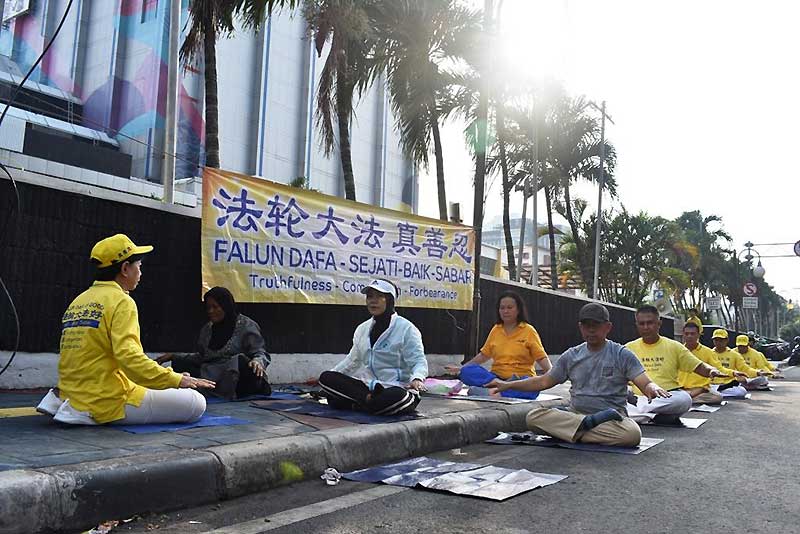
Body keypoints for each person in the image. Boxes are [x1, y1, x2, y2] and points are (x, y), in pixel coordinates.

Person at [36, 234, 214, 425]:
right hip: (107, 400)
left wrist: (170, 378)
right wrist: (177, 380)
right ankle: (87, 412)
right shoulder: (122, 301)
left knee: (163, 386)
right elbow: (129, 358)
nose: (140, 273)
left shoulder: (79, 301)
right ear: (124, 268)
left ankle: (67, 403)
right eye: (139, 266)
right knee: (196, 403)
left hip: (74, 390)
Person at [487, 303, 669, 447]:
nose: (591, 330)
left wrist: (652, 388)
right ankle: (584, 425)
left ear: (607, 327)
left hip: (612, 420)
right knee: (533, 417)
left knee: (632, 434)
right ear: (580, 327)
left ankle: (572, 432)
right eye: (586, 326)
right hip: (576, 415)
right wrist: (508, 385)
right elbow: (544, 381)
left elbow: (644, 381)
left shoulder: (621, 354)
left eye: (596, 326)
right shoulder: (571, 355)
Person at [318, 279, 427, 415]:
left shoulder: (407, 329)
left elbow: (418, 361)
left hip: (396, 388)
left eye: (379, 296)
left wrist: (417, 378)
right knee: (326, 377)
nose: (372, 301)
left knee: (398, 398)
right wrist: (332, 377)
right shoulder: (362, 329)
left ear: (390, 300)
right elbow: (352, 361)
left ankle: (356, 404)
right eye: (369, 296)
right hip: (367, 389)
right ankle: (369, 402)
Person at [156, 287, 271, 400]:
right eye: (208, 307)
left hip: (236, 376)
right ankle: (212, 387)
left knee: (240, 361)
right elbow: (201, 357)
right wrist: (173, 356)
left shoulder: (246, 326)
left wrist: (258, 361)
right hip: (212, 374)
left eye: (215, 307)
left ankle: (235, 390)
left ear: (226, 306)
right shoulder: (208, 329)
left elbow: (260, 352)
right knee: (180, 364)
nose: (211, 311)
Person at [444, 291, 551, 399]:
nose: (505, 311)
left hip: (520, 380)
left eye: (510, 307)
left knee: (533, 389)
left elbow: (541, 357)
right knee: (467, 371)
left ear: (518, 310)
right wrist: (462, 368)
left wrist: (552, 373)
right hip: (495, 378)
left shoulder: (528, 330)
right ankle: (497, 387)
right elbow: (483, 355)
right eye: (502, 308)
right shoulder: (496, 329)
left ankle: (492, 392)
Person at [625, 305, 723, 424]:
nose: (646, 327)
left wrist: (711, 370)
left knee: (684, 400)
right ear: (637, 325)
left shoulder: (674, 346)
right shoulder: (628, 348)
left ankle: (640, 413)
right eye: (642, 324)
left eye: (650, 323)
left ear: (659, 324)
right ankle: (651, 416)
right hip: (637, 397)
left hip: (665, 398)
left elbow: (699, 367)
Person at [679, 322, 727, 405]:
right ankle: (687, 398)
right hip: (681, 389)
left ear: (698, 335)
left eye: (692, 334)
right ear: (683, 335)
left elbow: (719, 369)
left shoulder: (708, 352)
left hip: (701, 390)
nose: (689, 336)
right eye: (687, 334)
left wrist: (733, 373)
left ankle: (685, 400)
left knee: (717, 397)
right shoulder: (677, 351)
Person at [709, 330, 766, 394]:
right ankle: (717, 394)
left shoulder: (735, 354)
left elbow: (745, 369)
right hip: (712, 384)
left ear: (727, 340)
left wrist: (757, 372)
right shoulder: (709, 354)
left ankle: (717, 394)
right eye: (716, 340)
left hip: (728, 385)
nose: (718, 342)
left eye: (721, 340)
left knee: (741, 392)